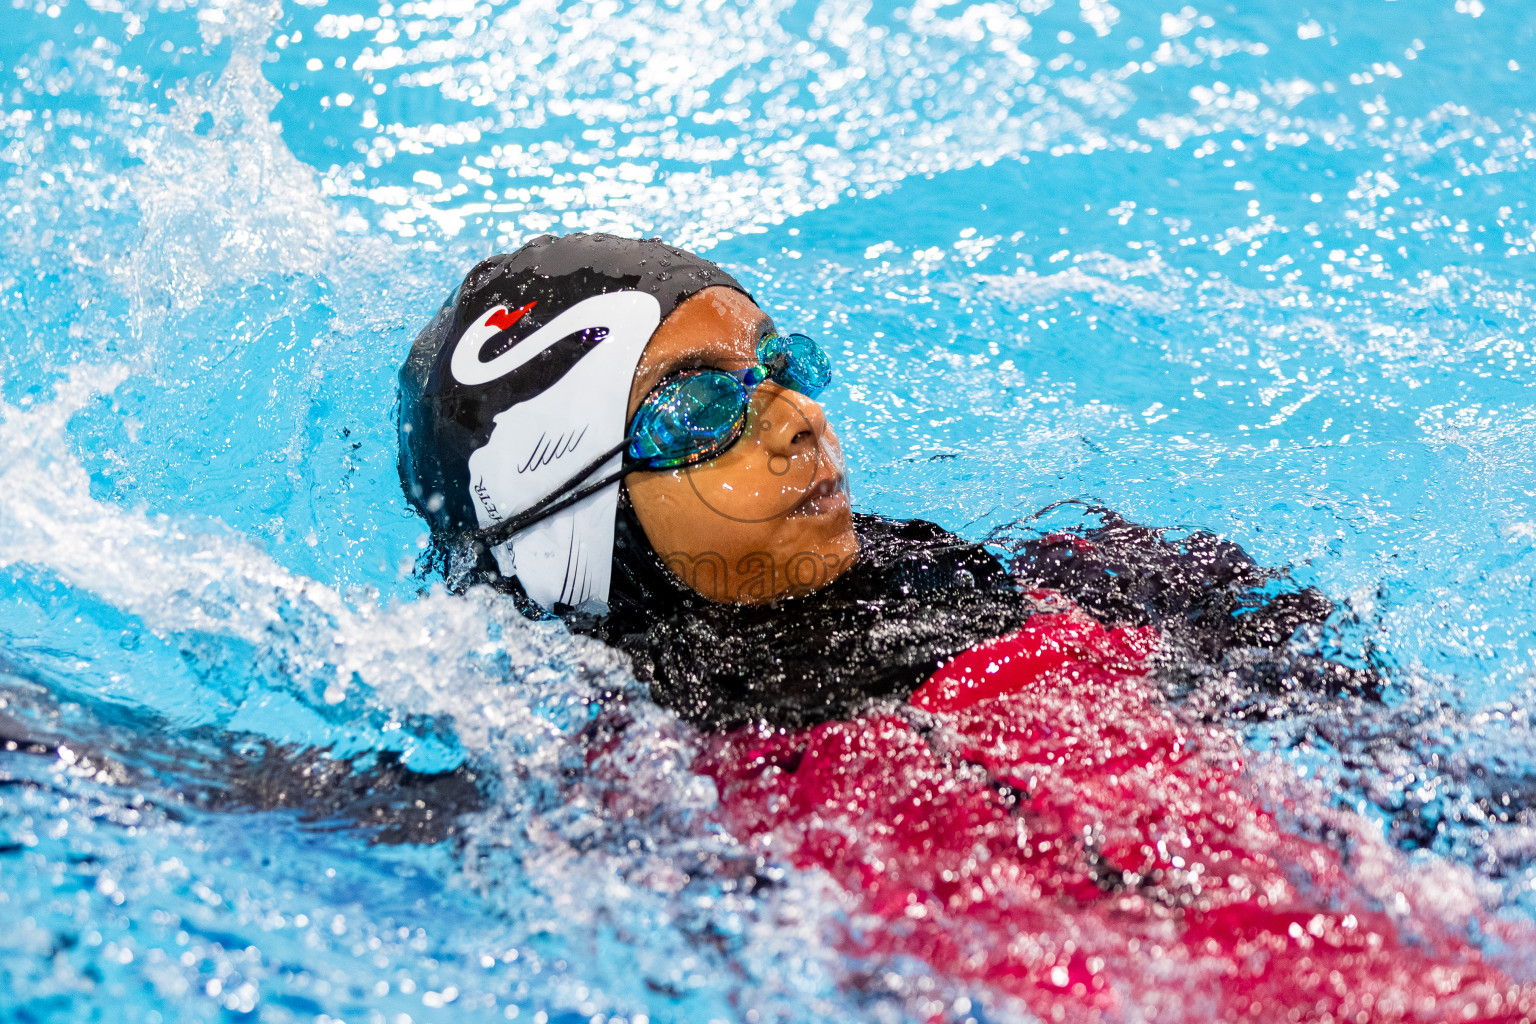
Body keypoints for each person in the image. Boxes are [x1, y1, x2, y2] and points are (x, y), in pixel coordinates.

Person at [399, 233, 1533, 1022]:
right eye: (698, 410)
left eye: (777, 368)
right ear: (569, 514)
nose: (797, 421)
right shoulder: (629, 763)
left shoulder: (1007, 576)